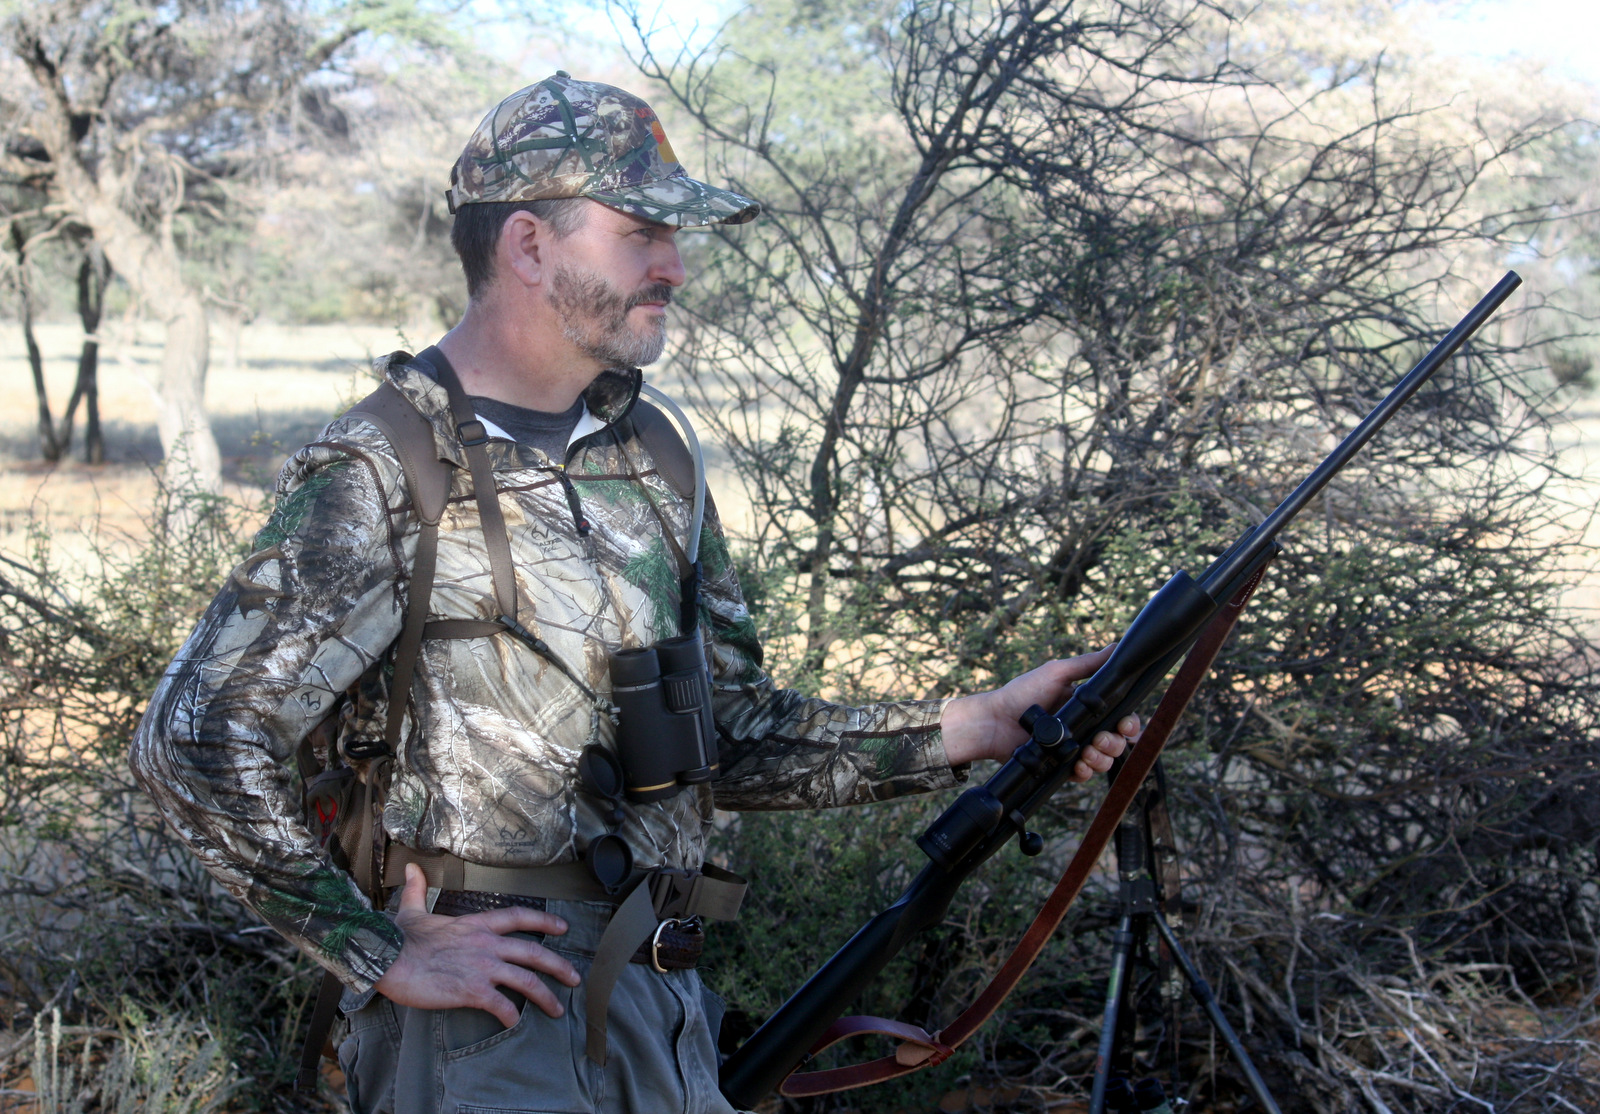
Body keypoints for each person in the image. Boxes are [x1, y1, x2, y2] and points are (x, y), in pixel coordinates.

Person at [129, 72, 1136, 1114]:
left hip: (664, 1003)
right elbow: (193, 736)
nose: (674, 265)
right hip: (491, 1030)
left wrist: (973, 725)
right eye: (640, 232)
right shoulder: (386, 465)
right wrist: (373, 947)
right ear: (528, 246)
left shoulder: (654, 456)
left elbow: (730, 734)